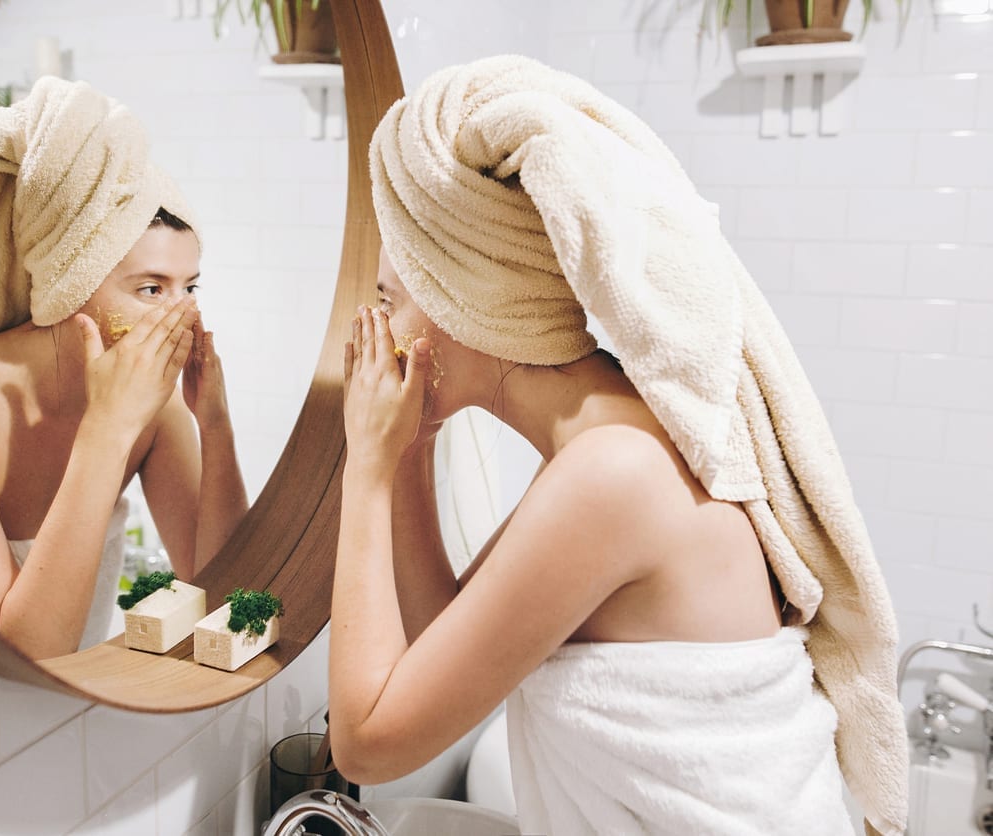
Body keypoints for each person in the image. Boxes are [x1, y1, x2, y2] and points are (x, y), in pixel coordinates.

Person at [329, 56, 907, 836]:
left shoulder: (614, 474)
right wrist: (407, 450)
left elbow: (365, 746)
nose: (376, 329)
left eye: (387, 299)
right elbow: (448, 646)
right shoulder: (610, 436)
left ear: (461, 299)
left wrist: (365, 468)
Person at [0, 78, 247, 660]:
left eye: (189, 286)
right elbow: (24, 657)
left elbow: (222, 591)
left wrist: (215, 426)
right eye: (151, 288)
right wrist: (106, 430)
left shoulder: (154, 407)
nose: (183, 313)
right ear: (71, 285)